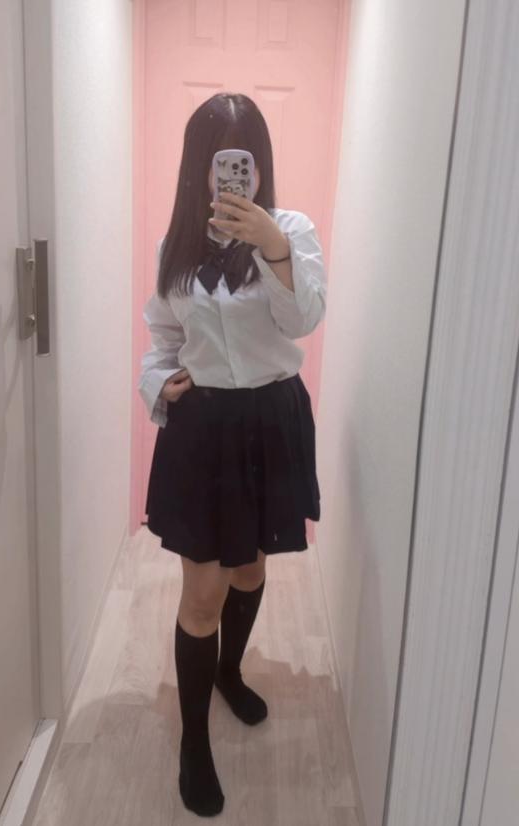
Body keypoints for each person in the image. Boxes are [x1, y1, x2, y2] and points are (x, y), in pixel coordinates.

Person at [138, 92, 327, 817]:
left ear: (260, 164)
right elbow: (162, 337)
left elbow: (303, 319)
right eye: (219, 159)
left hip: (271, 420)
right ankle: (193, 743)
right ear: (200, 167)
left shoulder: (293, 231)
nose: (234, 175)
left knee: (249, 567)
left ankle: (229, 671)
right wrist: (159, 381)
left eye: (246, 158)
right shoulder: (175, 247)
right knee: (202, 591)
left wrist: (273, 248)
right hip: (203, 428)